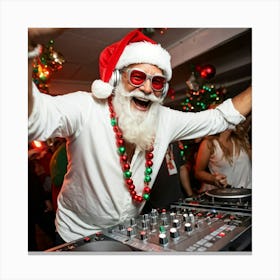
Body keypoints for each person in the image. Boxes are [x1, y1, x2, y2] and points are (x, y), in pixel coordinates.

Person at [28, 28, 252, 244]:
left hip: (127, 234)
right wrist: (27, 44)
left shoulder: (165, 119)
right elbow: (32, 119)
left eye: (156, 82)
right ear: (116, 80)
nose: (147, 88)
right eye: (137, 77)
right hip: (75, 235)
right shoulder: (85, 108)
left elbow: (219, 119)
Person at [194, 120, 252, 192]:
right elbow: (198, 173)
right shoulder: (209, 144)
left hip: (248, 192)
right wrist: (213, 179)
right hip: (225, 195)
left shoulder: (241, 140)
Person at [141, 142, 194, 213]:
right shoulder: (147, 146)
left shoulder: (174, 143)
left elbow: (182, 168)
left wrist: (190, 195)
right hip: (155, 205)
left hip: (178, 200)